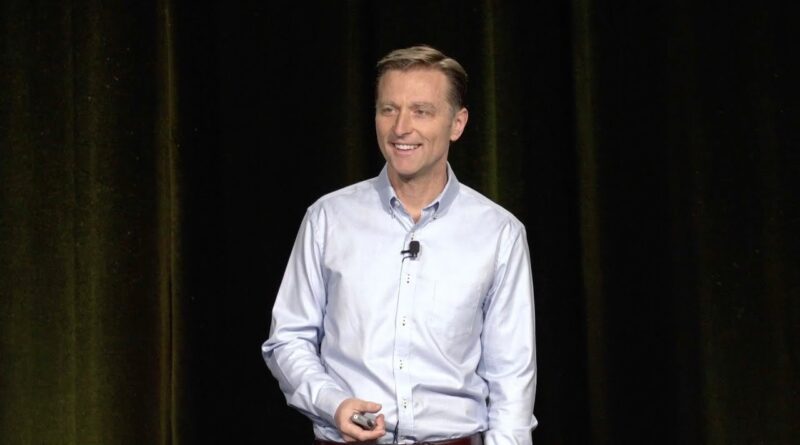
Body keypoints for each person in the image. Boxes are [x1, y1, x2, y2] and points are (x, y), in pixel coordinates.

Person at [261, 44, 537, 445]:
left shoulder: (499, 233)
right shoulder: (328, 219)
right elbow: (288, 339)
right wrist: (332, 403)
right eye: (389, 109)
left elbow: (511, 379)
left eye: (421, 111)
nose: (401, 128)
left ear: (457, 124)